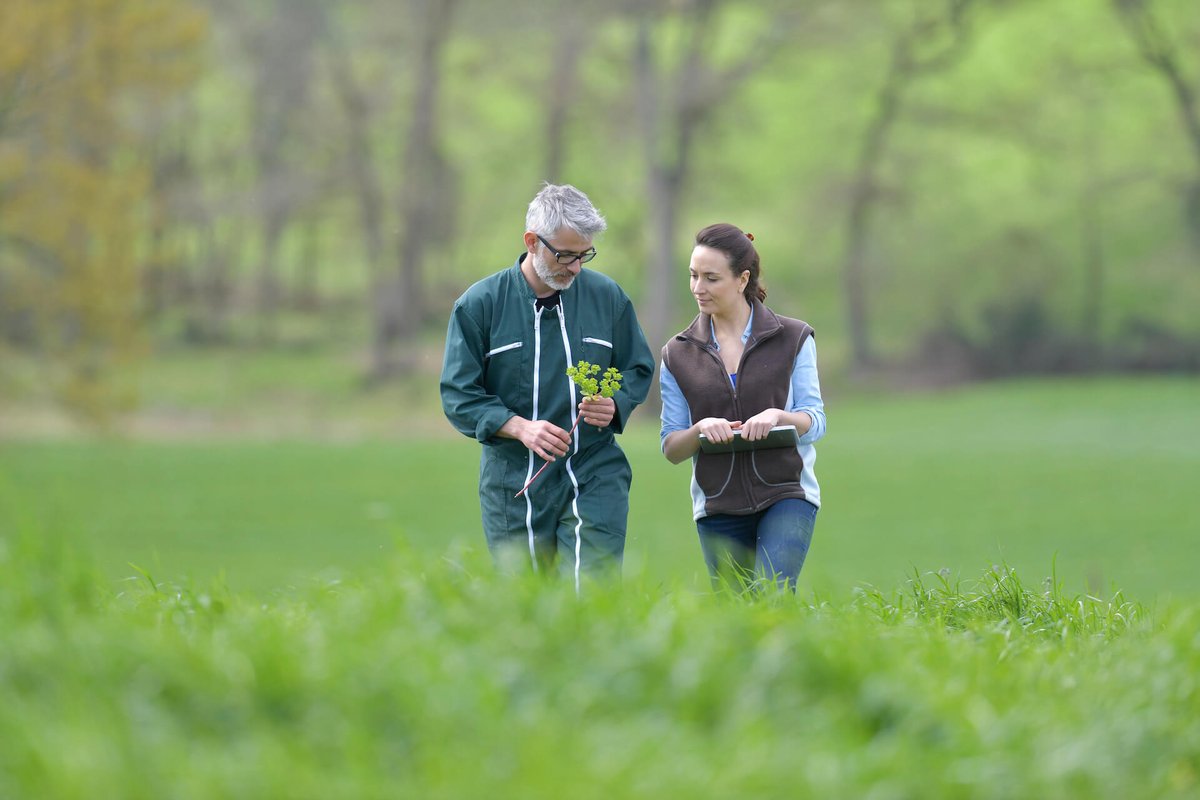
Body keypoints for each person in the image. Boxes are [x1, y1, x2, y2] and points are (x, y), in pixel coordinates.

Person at [440, 183, 654, 586]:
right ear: (531, 242)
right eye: (565, 255)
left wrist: (616, 404)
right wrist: (520, 427)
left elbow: (637, 367)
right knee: (529, 603)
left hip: (594, 470)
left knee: (593, 591)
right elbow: (459, 396)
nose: (575, 267)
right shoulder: (479, 305)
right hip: (513, 481)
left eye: (583, 255)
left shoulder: (608, 298)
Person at [659, 223, 826, 591]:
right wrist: (700, 430)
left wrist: (780, 416)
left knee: (773, 593)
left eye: (711, 278)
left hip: (787, 492)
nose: (698, 288)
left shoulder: (793, 338)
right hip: (717, 505)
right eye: (693, 276)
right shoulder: (677, 354)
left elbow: (815, 421)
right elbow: (671, 448)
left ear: (741, 279)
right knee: (736, 616)